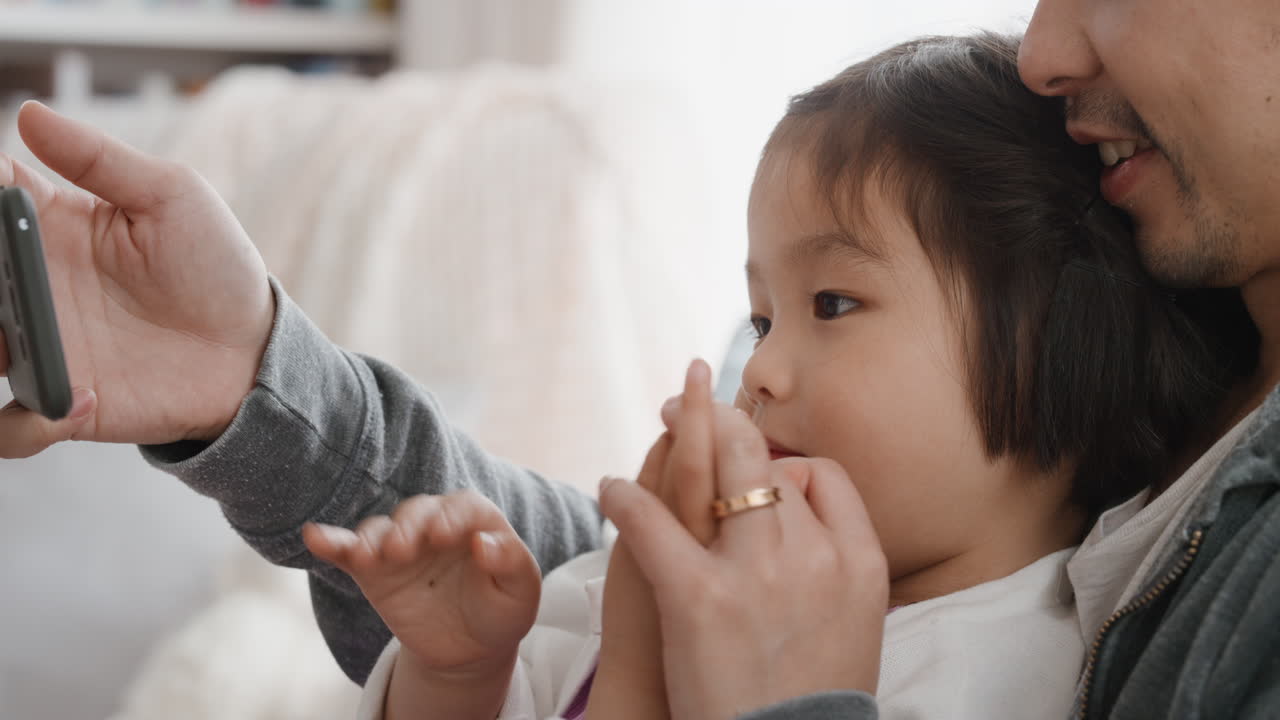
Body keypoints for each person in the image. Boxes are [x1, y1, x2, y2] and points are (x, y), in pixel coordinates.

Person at [300, 33, 1249, 719]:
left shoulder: (1015, 683)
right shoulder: (673, 567)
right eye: (761, 317)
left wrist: (635, 664)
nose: (759, 370)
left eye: (831, 304)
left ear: (1057, 346)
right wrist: (459, 675)